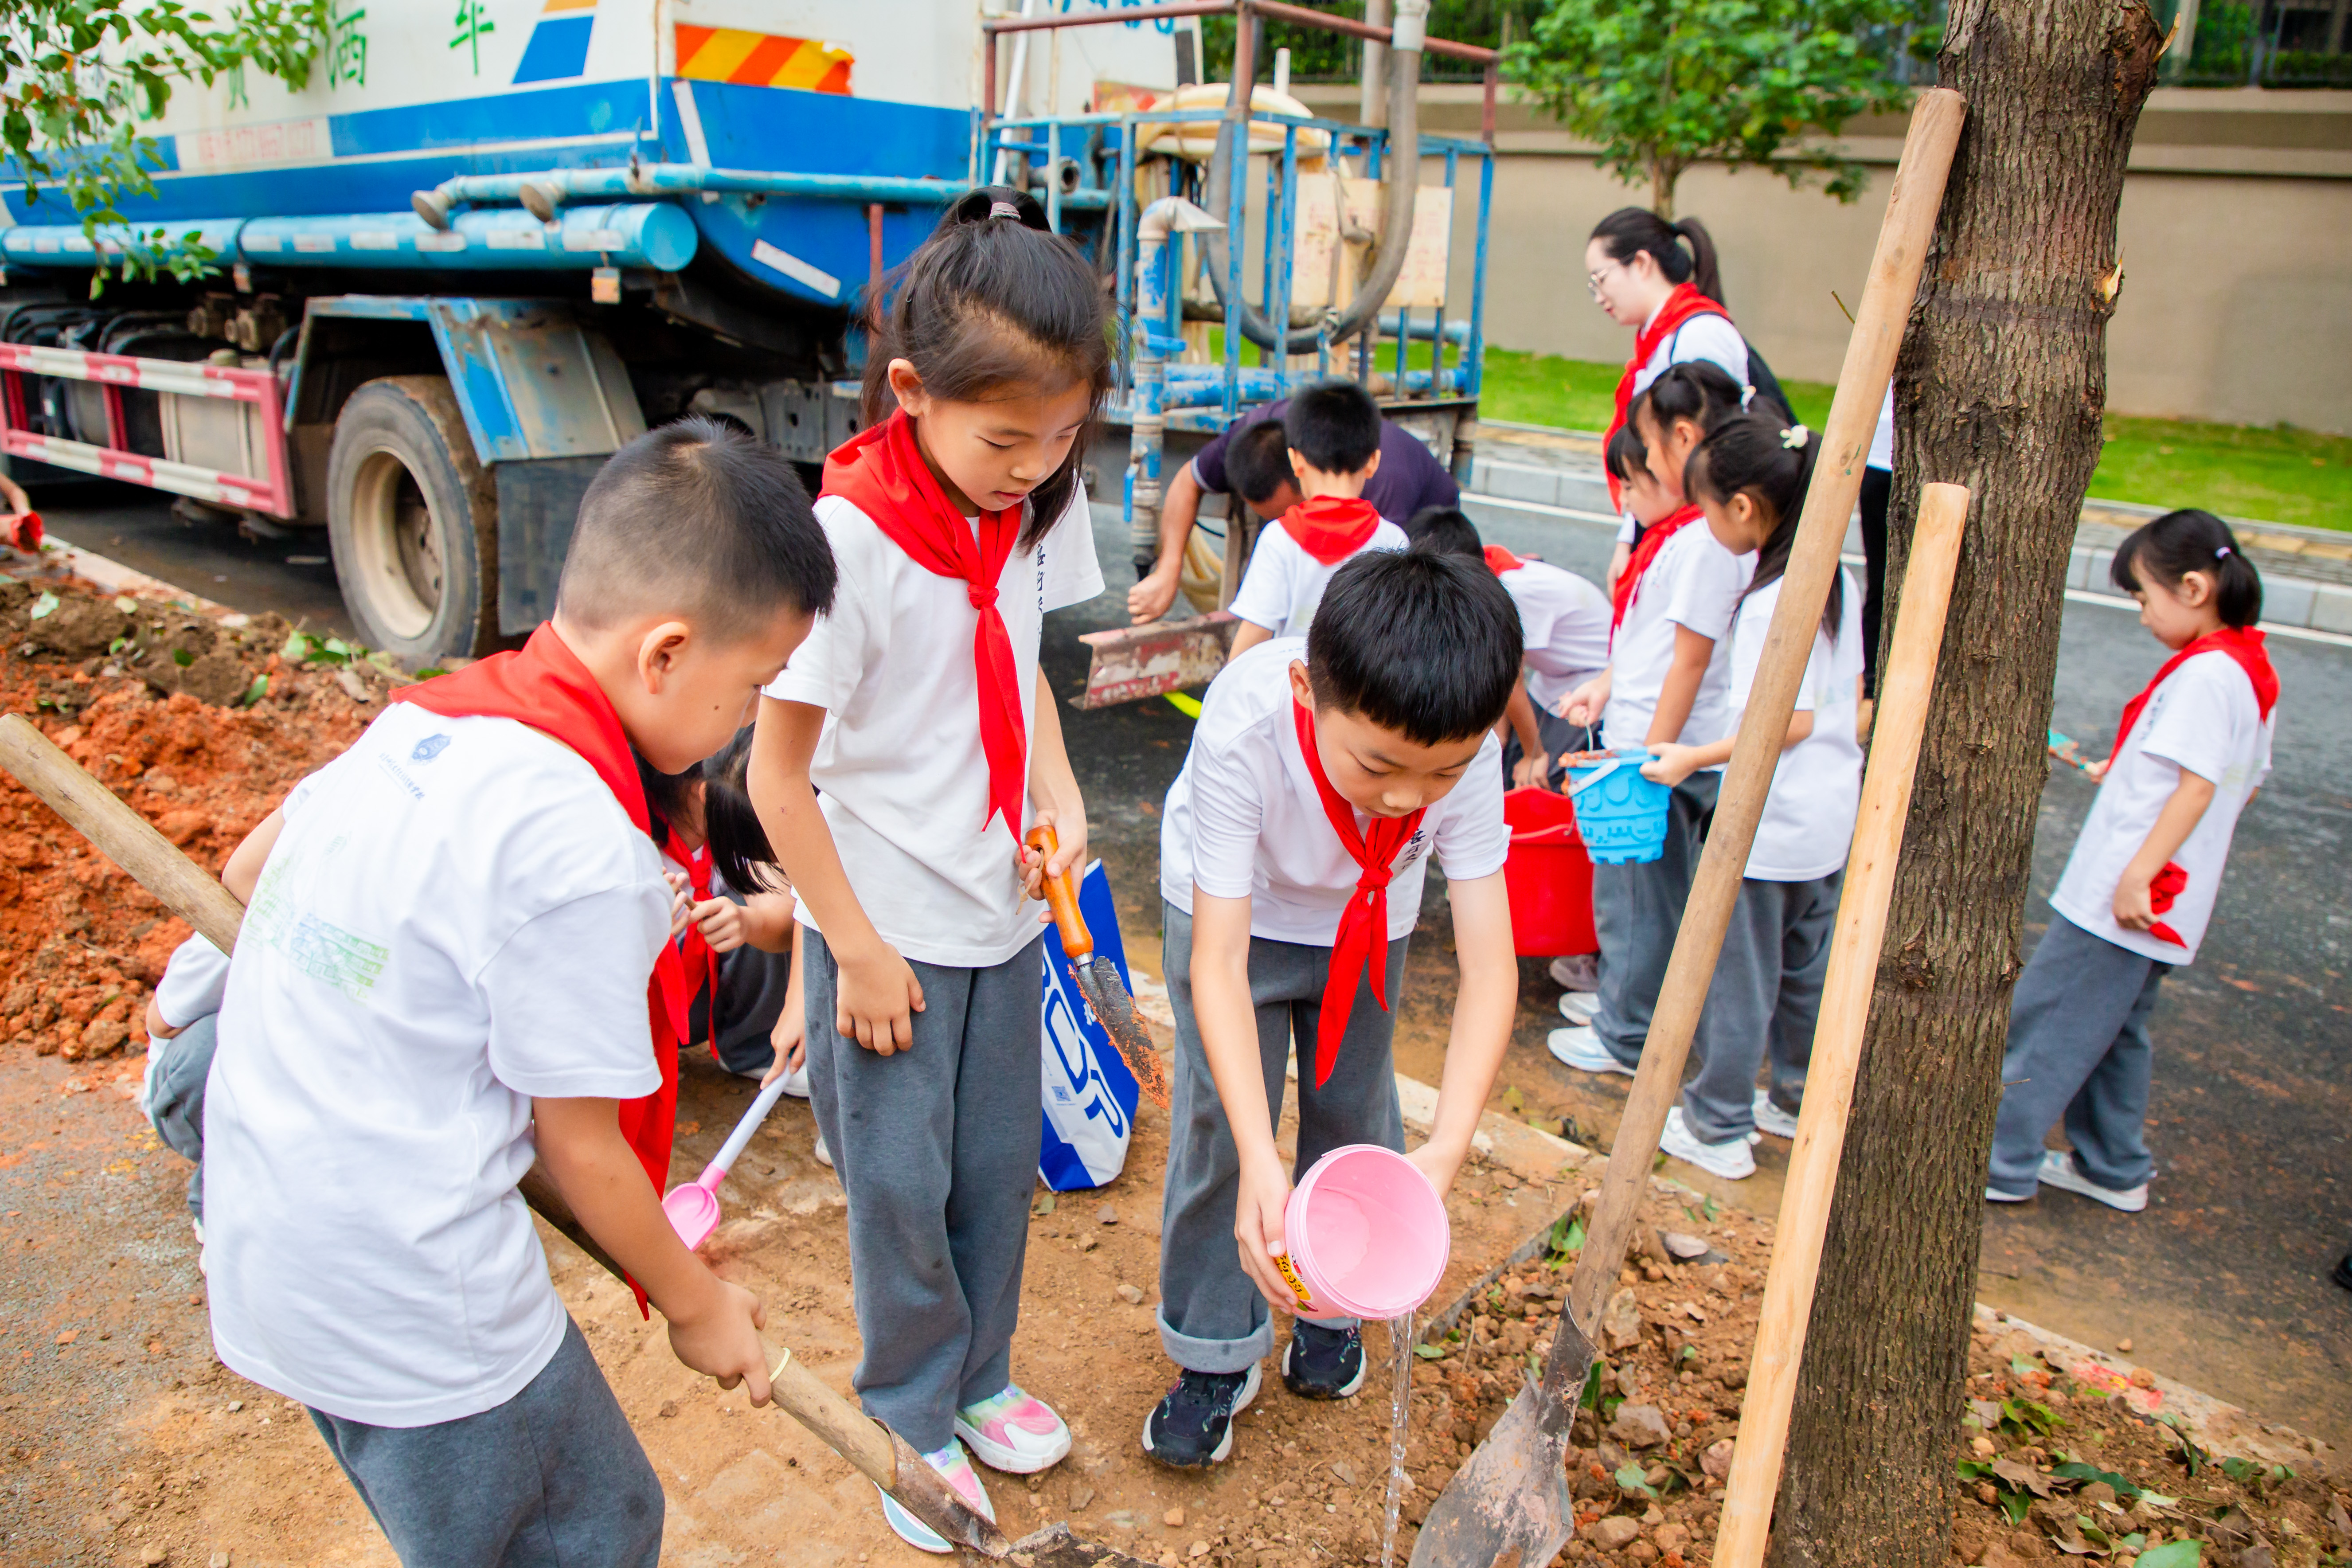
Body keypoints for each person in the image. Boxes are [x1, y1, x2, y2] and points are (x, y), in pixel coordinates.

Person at [198, 415, 836, 1565]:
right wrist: (697, 1307)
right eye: (752, 688)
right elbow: (582, 1148)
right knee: (589, 1528)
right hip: (406, 1294)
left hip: (269, 1238)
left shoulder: (433, 716)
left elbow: (247, 876)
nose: (746, 720)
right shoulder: (582, 844)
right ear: (665, 655)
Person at [745, 187, 1102, 1552]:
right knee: (897, 1190)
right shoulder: (849, 541)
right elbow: (778, 776)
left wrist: (1058, 803)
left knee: (993, 1166)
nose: (1032, 464)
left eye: (1061, 435)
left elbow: (1022, 679)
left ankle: (983, 1374)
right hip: (885, 925)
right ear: (907, 391)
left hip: (1001, 909)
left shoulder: (1027, 501)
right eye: (1005, 437)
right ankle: (907, 1414)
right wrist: (855, 947)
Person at [1144, 550, 1520, 1467]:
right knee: (1226, 1136)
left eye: (1440, 775)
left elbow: (1490, 964)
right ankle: (1214, 1352)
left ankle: (1334, 1297)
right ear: (1309, 691)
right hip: (1237, 911)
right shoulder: (1246, 725)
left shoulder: (1466, 756)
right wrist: (1259, 1155)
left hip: (1369, 915)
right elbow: (1221, 965)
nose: (1408, 796)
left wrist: (1449, 1144)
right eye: (1381, 764)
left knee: (1357, 1113)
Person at [1987, 509, 2278, 1212]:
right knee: (2114, 1030)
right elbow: (2235, 778)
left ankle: (1999, 1158)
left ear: (2193, 587)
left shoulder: (2206, 675)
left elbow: (2198, 784)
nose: (2141, 614)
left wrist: (2138, 870)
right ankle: (2112, 1165)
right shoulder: (2244, 665)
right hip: (2164, 895)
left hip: (2128, 892)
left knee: (2048, 1019)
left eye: (2143, 597)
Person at [1637, 414, 1862, 1179]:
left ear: (1742, 507)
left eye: (1705, 508)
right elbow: (1840, 703)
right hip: (1829, 818)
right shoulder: (1839, 578)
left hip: (1770, 827)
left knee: (1740, 977)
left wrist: (1687, 755)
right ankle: (1791, 1097)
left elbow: (1784, 722)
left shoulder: (1772, 601)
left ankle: (1719, 1121)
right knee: (1802, 972)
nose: (1703, 523)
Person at [1550, 370, 1754, 1070]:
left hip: (1659, 750)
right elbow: (1650, 646)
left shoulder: (1702, 543)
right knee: (1636, 890)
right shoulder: (1682, 535)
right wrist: (1607, 688)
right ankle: (1624, 1002)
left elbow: (1688, 663)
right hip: (1649, 738)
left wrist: (1646, 758)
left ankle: (1627, 1033)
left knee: (1637, 895)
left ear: (1682, 440)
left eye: (1642, 449)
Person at [1126, 391, 1458, 624]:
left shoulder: (1380, 495)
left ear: (1302, 470)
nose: (1291, 526)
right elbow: (1188, 480)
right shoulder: (1251, 436)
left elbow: (1375, 616)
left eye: (1294, 513)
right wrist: (1169, 571)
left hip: (1432, 526)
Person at [1584, 209, 1753, 598]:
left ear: (1641, 263)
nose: (1598, 297)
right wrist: (1630, 537)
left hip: (1700, 528)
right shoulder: (1660, 339)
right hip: (1673, 523)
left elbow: (1713, 451)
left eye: (1601, 279)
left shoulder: (1700, 336)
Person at [1398, 504, 1610, 794]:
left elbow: (1510, 676)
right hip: (1554, 674)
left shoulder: (1510, 591)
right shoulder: (1487, 571)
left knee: (1541, 777)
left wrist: (1534, 754)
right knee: (1509, 764)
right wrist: (1501, 734)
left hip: (1592, 677)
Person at [638, 727, 803, 1083]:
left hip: (711, 1004)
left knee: (768, 900)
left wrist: (747, 923)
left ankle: (751, 1049)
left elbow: (781, 912)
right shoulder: (635, 837)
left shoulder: (738, 835)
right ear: (704, 793)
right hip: (644, 1008)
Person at [1224, 379, 1410, 660]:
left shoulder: (1280, 538)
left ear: (1295, 461)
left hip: (1291, 691)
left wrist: (1225, 695)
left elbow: (1254, 635)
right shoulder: (1394, 540)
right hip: (1363, 697)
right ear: (1373, 461)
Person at [141, 932, 231, 1242]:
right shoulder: (252, 918)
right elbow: (161, 1021)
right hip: (191, 1096)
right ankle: (220, 1208)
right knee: (219, 1039)